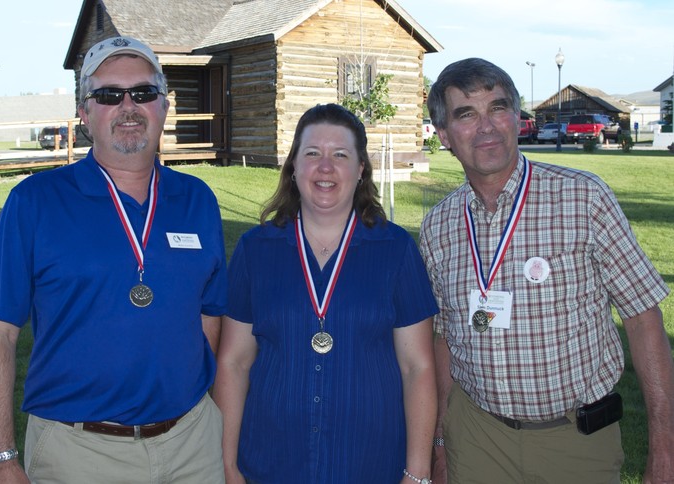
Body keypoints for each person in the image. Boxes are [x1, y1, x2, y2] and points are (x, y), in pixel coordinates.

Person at [0, 36, 227, 483]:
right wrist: (1, 457)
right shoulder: (34, 202)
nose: (129, 106)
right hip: (78, 454)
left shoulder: (197, 200)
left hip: (191, 446)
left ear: (164, 107)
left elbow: (209, 317)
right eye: (109, 95)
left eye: (144, 92)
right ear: (85, 113)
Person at [419, 57, 674, 483]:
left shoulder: (583, 198)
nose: (486, 126)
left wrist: (666, 451)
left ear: (517, 119)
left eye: (498, 108)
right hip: (477, 438)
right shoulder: (438, 227)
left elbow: (643, 317)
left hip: (576, 441)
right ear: (443, 135)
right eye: (467, 114)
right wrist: (442, 445)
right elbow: (445, 338)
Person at [213, 103, 438, 484]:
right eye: (312, 153)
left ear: (361, 168)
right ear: (294, 166)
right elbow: (234, 363)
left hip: (370, 464)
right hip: (271, 464)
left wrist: (416, 473)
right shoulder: (256, 249)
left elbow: (417, 368)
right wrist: (229, 465)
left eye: (340, 155)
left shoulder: (396, 250)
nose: (325, 167)